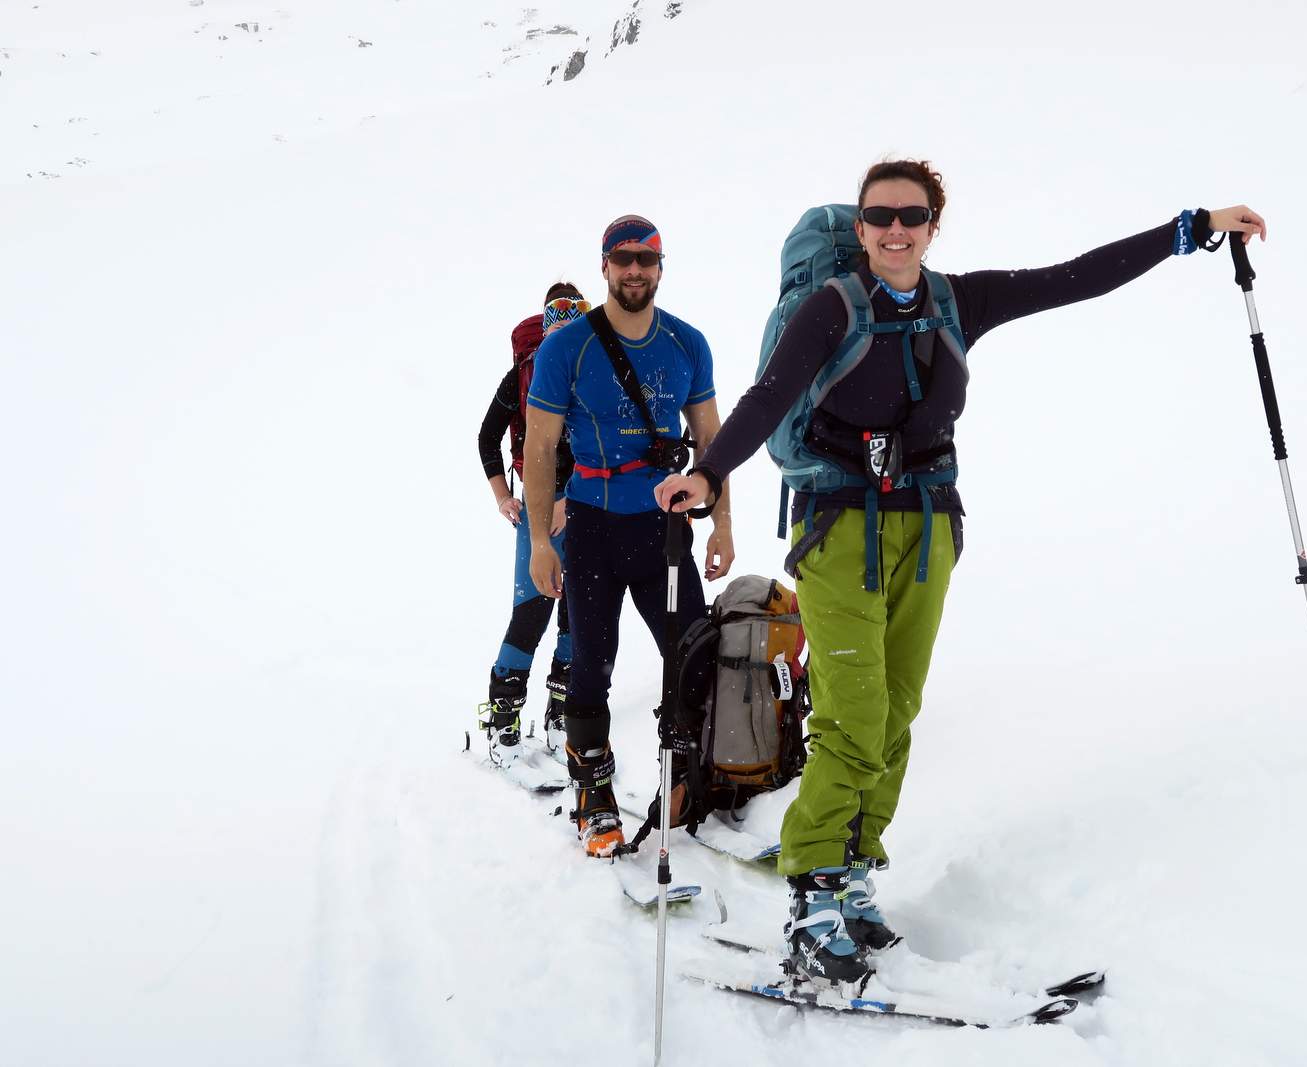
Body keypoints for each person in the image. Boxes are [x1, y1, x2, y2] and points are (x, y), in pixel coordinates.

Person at [655, 160, 1266, 982]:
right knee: (852, 715)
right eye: (880, 216)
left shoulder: (956, 301)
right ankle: (812, 895)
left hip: (929, 526)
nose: (895, 229)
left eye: (911, 215)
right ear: (861, 227)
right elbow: (768, 396)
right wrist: (708, 471)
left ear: (933, 225)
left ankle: (854, 876)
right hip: (838, 529)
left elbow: (1074, 278)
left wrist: (1187, 231)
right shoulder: (830, 307)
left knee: (895, 711)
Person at [522, 215, 736, 857]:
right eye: (623, 258)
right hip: (590, 526)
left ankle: (687, 776)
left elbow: (711, 439)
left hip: (662, 530)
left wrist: (722, 522)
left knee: (692, 658)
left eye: (646, 258)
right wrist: (540, 542)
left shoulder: (686, 343)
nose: (635, 269)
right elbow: (539, 447)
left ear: (661, 267)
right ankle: (593, 795)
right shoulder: (567, 348)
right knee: (592, 660)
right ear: (605, 267)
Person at [476, 283, 589, 763]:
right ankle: (503, 719)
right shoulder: (524, 373)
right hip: (540, 506)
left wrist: (569, 497)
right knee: (533, 607)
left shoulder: (592, 368)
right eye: (557, 316)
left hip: (587, 504)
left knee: (578, 610)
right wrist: (504, 497)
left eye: (574, 314)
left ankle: (560, 711)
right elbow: (487, 436)